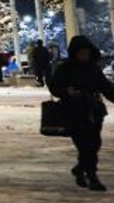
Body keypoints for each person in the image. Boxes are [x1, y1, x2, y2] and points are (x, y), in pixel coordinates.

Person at [49, 35, 114, 191]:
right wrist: (67, 91)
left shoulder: (93, 68)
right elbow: (55, 87)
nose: (84, 55)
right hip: (74, 112)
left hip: (94, 112)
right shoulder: (65, 68)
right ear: (75, 52)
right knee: (86, 146)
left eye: (86, 53)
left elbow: (106, 87)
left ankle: (80, 169)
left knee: (94, 144)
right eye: (81, 53)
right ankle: (92, 177)